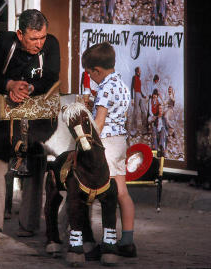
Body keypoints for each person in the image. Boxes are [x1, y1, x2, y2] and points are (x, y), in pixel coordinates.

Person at [0, 9, 60, 245]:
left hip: (36, 118)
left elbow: (52, 76)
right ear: (20, 34)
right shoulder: (5, 43)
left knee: (35, 162)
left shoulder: (51, 45)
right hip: (2, 121)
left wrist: (31, 88)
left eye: (42, 37)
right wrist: (10, 84)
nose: (39, 44)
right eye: (34, 39)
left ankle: (29, 225)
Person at [82, 42, 137, 257]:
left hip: (107, 143)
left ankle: (108, 243)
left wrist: (86, 139)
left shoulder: (105, 86)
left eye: (89, 73)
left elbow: (100, 122)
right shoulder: (121, 85)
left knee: (107, 195)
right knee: (122, 192)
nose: (90, 78)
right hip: (121, 141)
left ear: (97, 70)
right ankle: (128, 240)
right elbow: (118, 113)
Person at [129, 66, 147, 136]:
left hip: (140, 95)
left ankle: (144, 129)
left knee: (143, 111)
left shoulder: (139, 79)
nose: (141, 72)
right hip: (136, 94)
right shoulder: (134, 77)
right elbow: (131, 88)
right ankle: (133, 131)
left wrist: (143, 95)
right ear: (137, 71)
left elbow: (140, 89)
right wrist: (132, 99)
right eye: (140, 71)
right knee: (135, 112)